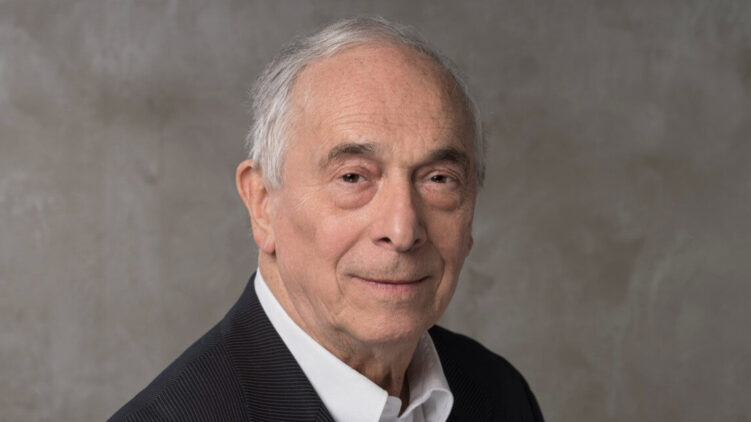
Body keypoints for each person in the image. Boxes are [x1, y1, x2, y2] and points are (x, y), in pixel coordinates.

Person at [110, 17, 543, 422]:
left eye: (439, 179)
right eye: (353, 177)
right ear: (262, 203)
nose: (402, 230)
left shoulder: (499, 392)